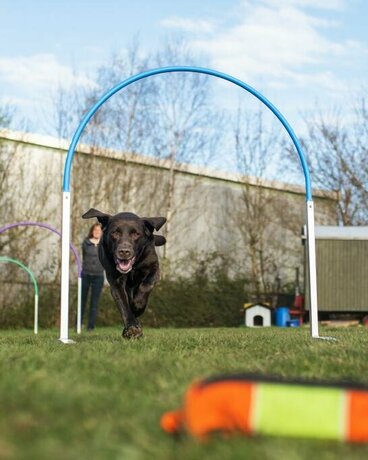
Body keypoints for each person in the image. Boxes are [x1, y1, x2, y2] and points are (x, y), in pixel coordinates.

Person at [80, 223, 104, 331]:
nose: (97, 232)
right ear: (92, 231)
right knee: (82, 301)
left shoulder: (104, 244)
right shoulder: (86, 243)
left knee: (94, 303)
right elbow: (84, 256)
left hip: (98, 276)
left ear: (102, 232)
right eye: (95, 230)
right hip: (86, 275)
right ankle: (78, 325)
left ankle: (90, 327)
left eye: (99, 230)